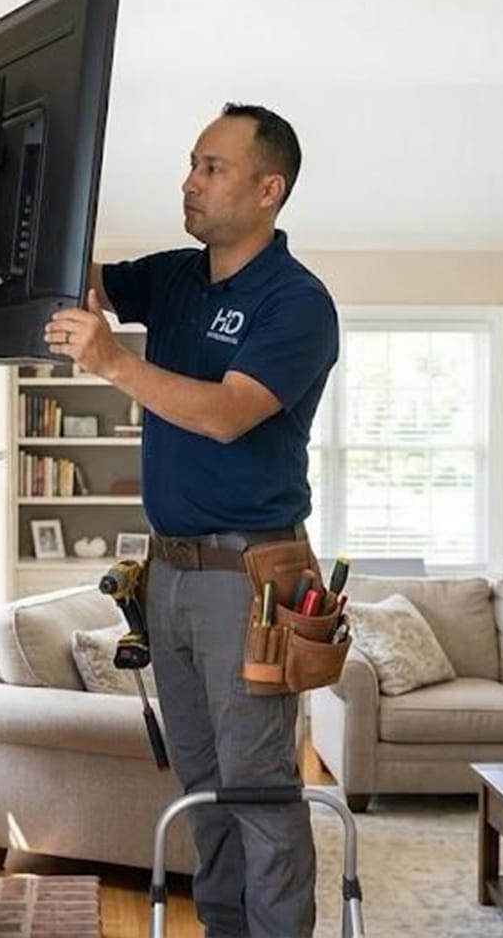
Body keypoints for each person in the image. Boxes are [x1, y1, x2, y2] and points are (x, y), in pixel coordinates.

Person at [44, 103, 338, 937]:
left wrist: (113, 361)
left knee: (257, 790)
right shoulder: (176, 276)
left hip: (251, 580)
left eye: (212, 167)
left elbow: (225, 415)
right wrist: (56, 187)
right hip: (168, 573)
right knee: (203, 786)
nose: (190, 180)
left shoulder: (298, 303)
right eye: (192, 163)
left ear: (268, 189)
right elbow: (84, 279)